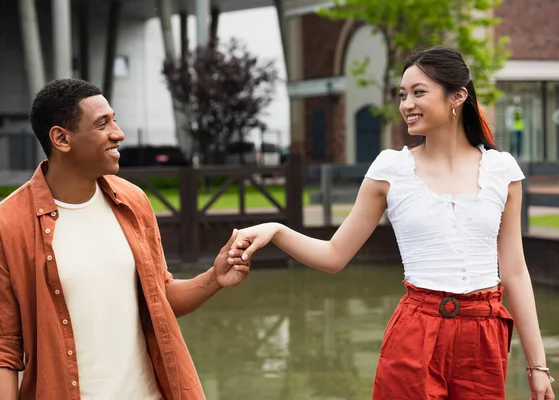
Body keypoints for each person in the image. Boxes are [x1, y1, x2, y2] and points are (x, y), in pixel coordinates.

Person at [227, 47, 555, 400]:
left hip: (484, 337)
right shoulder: (391, 170)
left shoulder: (502, 171)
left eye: (418, 92)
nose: (406, 105)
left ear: (457, 96)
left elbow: (515, 272)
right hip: (416, 333)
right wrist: (276, 231)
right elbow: (334, 255)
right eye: (402, 95)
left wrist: (537, 367)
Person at [0, 78, 251, 400]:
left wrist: (213, 278)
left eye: (114, 120)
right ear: (61, 139)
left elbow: (160, 299)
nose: (118, 133)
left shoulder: (133, 202)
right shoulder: (1, 228)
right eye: (102, 124)